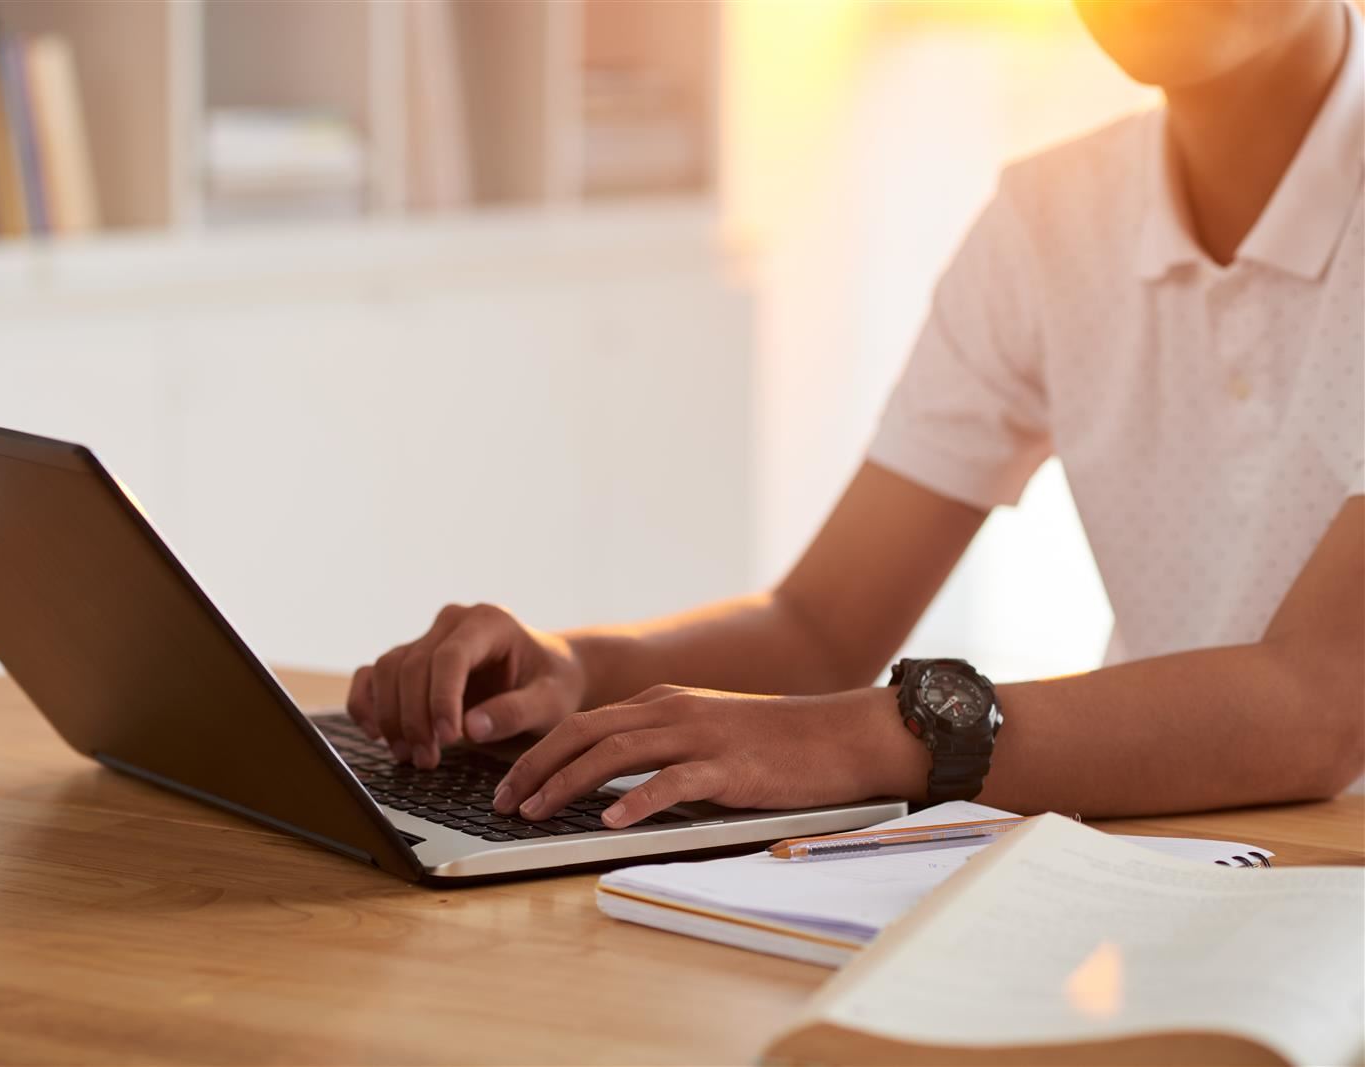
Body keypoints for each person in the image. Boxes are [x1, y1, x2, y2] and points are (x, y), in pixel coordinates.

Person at [346, 0, 1365, 828]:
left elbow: (1319, 709)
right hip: (1149, 859)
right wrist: (581, 668)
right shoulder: (1050, 221)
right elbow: (819, 624)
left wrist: (856, 736)